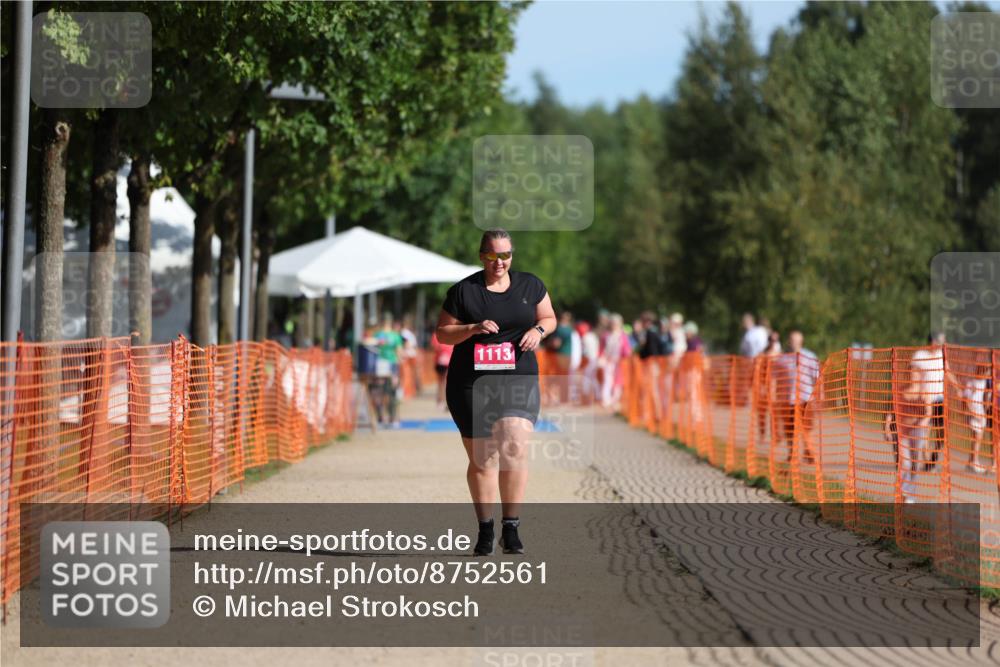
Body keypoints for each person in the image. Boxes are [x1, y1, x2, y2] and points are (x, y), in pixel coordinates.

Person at [435, 228, 556, 557]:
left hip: (518, 376)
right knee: (483, 459)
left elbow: (548, 316)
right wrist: (471, 329)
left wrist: (538, 330)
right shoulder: (464, 291)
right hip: (471, 383)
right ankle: (486, 529)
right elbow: (443, 334)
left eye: (506, 255)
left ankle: (511, 527)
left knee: (514, 445)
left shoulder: (530, 285)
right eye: (493, 256)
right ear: (481, 256)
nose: (500, 262)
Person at [884, 368, 933, 503]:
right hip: (901, 432)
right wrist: (887, 428)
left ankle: (910, 495)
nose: (913, 376)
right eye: (910, 374)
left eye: (915, 374)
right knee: (905, 463)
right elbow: (890, 412)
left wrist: (923, 421)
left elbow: (929, 412)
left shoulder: (924, 393)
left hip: (917, 432)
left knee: (914, 466)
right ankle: (903, 492)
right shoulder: (900, 391)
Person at [774, 331, 819, 465]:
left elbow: (817, 377)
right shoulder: (783, 358)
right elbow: (777, 377)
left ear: (801, 341)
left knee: (806, 428)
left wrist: (817, 396)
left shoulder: (809, 357)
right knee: (789, 429)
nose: (793, 342)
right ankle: (792, 454)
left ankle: (809, 453)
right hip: (788, 399)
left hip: (805, 398)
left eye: (796, 340)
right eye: (791, 340)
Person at [368, 313, 404, 428]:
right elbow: (399, 352)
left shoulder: (377, 335)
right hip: (392, 365)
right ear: (390, 322)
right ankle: (393, 418)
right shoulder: (395, 336)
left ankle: (380, 416)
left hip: (378, 365)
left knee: (379, 392)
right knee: (392, 392)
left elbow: (371, 349)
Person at [600, 313, 631, 409]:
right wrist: (601, 357)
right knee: (607, 380)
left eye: (616, 323)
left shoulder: (623, 336)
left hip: (619, 362)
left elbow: (626, 350)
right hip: (608, 361)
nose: (615, 325)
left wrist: (626, 354)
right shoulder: (606, 335)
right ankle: (606, 399)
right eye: (613, 323)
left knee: (618, 382)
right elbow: (601, 348)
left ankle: (615, 400)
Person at [430, 331, 453, 410]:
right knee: (441, 382)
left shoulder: (452, 332)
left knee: (446, 382)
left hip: (448, 361)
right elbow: (435, 347)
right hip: (440, 362)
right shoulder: (436, 334)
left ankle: (445, 402)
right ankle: (440, 401)